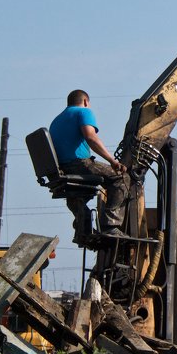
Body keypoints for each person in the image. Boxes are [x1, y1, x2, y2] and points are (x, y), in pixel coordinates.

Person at [49, 89, 129, 240]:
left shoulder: (57, 120)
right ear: (85, 101)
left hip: (61, 169)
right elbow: (91, 137)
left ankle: (82, 225)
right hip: (79, 164)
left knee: (77, 193)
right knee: (121, 178)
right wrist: (113, 161)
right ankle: (111, 226)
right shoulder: (84, 112)